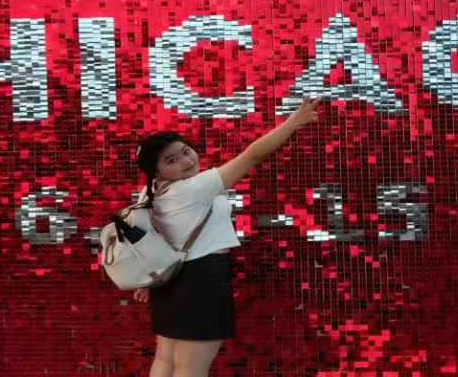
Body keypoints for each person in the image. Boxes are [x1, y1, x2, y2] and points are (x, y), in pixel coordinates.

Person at [132, 97, 321, 377]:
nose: (186, 161)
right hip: (201, 280)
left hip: (168, 280)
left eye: (186, 151)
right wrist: (293, 122)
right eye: (172, 160)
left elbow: (153, 237)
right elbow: (252, 156)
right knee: (190, 369)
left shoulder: (150, 192)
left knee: (166, 361)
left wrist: (150, 280)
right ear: (157, 171)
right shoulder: (193, 188)